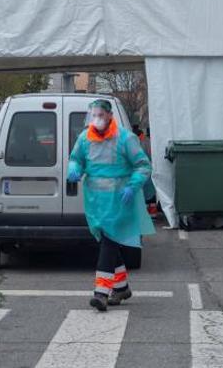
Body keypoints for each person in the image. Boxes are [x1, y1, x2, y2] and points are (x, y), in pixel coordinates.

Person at [68, 100, 156, 312]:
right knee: (109, 244)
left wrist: (133, 186)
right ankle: (122, 288)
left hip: (120, 202)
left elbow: (143, 165)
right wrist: (74, 169)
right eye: (93, 114)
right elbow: (76, 159)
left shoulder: (125, 138)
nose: (96, 119)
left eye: (99, 114)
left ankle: (101, 293)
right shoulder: (85, 138)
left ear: (109, 115)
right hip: (95, 204)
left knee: (108, 243)